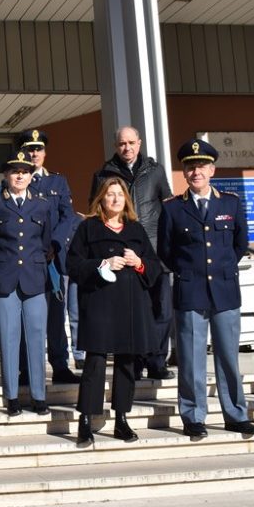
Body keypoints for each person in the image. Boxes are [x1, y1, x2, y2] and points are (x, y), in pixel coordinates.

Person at [158, 138, 254, 440]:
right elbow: (166, 250)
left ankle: (236, 414)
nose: (196, 171)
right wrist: (188, 271)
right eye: (190, 167)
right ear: (184, 173)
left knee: (228, 356)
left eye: (201, 165)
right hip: (190, 291)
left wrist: (223, 267)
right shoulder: (173, 209)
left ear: (212, 169)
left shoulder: (230, 203)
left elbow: (240, 243)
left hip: (225, 292)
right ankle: (193, 416)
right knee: (190, 358)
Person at [68, 177, 162, 447]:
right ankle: (86, 420)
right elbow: (73, 265)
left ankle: (121, 418)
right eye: (110, 194)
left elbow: (155, 267)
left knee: (126, 364)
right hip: (98, 304)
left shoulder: (136, 229)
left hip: (131, 305)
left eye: (119, 194)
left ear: (126, 200)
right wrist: (102, 263)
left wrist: (140, 262)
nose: (115, 199)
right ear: (101, 199)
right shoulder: (88, 228)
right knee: (95, 363)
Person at [91, 126, 175, 381]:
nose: (127, 148)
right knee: (132, 312)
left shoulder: (155, 171)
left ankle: (157, 362)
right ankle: (134, 362)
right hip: (122, 254)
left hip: (154, 253)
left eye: (131, 143)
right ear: (115, 146)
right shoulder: (103, 174)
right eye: (121, 144)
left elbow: (168, 208)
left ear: (139, 143)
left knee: (162, 310)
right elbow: (96, 214)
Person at [0, 152, 56, 417]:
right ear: (6, 175)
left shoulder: (42, 205)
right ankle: (12, 396)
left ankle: (39, 396)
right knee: (8, 338)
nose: (20, 176)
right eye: (14, 171)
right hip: (4, 279)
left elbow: (46, 242)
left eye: (24, 171)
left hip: (35, 279)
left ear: (31, 175)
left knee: (37, 338)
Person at [16, 129, 81, 385]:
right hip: (28, 259)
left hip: (53, 259)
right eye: (30, 149)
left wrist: (56, 243)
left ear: (44, 152)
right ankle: (25, 369)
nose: (34, 154)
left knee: (56, 316)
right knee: (26, 317)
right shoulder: (18, 179)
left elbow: (68, 216)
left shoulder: (57, 182)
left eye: (38, 149)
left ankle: (60, 365)